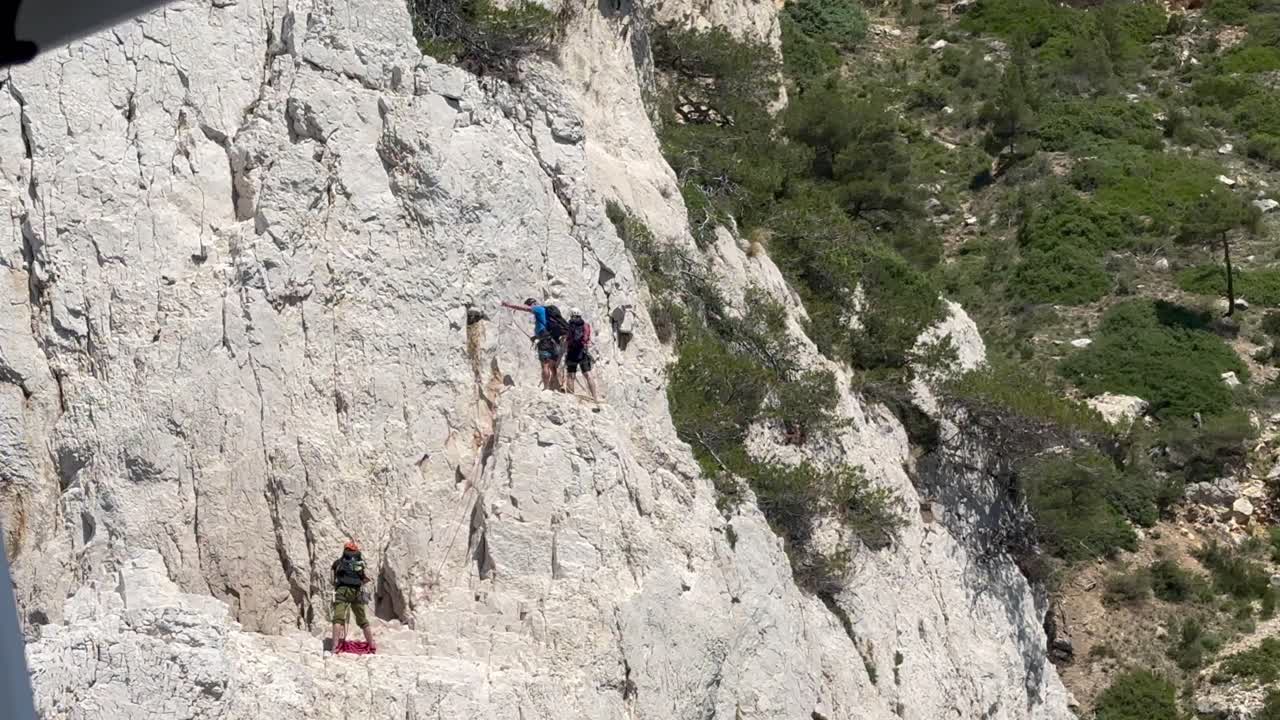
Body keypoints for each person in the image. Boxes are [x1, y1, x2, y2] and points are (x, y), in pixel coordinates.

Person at [501, 298, 567, 391]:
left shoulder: (538, 308)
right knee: (552, 366)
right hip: (554, 342)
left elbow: (524, 308)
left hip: (545, 342)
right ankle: (555, 386)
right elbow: (546, 328)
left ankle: (546, 388)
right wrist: (535, 337)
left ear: (531, 304)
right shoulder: (546, 312)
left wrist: (508, 305)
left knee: (545, 365)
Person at [330, 540, 375, 654]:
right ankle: (372, 645)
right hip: (356, 592)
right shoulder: (359, 564)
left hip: (342, 591)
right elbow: (363, 579)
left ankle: (334, 647)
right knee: (363, 620)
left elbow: (332, 579)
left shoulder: (338, 563)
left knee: (338, 619)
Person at [564, 308, 598, 401]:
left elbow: (567, 339)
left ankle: (571, 396)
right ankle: (594, 397)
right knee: (588, 374)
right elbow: (587, 338)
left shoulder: (568, 325)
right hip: (582, 352)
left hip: (572, 352)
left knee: (571, 375)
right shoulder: (586, 325)